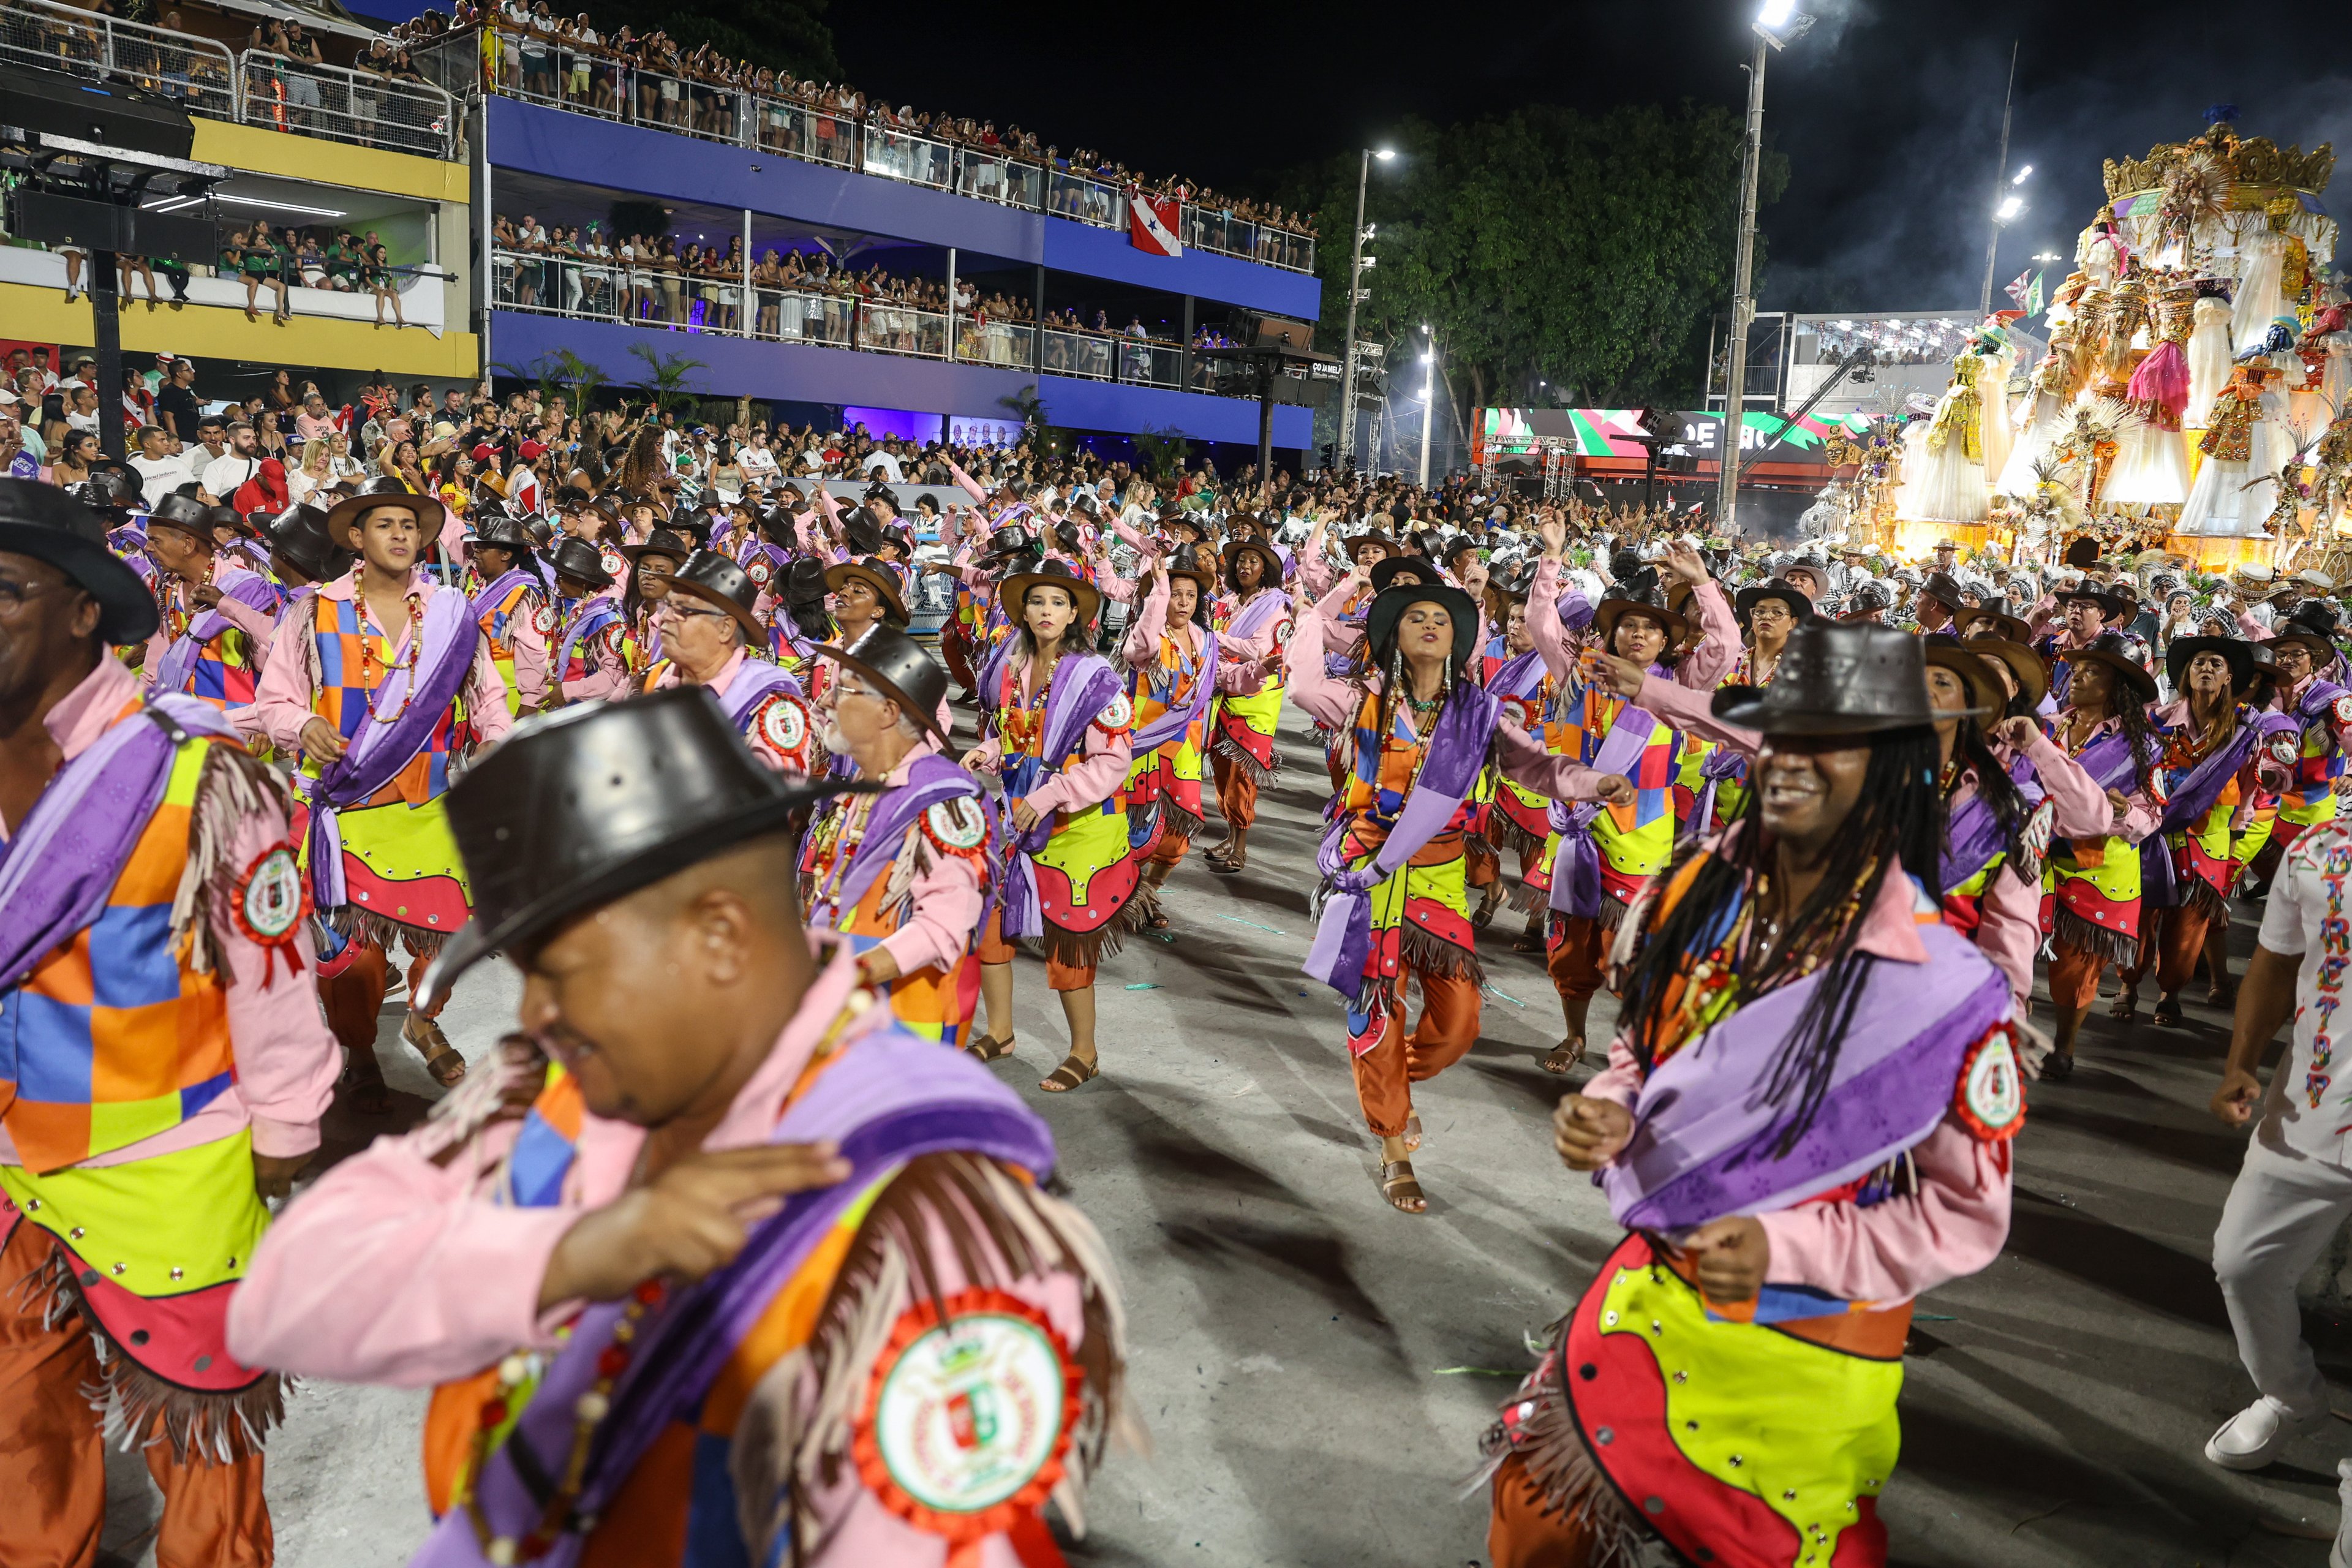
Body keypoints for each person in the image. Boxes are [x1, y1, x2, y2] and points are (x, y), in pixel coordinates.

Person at [225, 690, 1129, 1567]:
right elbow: (282, 1301)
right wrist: (571, 1257)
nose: (533, 1012)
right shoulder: (556, 1082)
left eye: (567, 964)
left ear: (721, 938)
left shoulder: (928, 1187)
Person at [1482, 624, 2025, 1567]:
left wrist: (1787, 1244)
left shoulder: (1947, 989)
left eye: (1834, 747)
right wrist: (1616, 1106)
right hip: (1652, 1298)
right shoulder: (1695, 886)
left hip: (1807, 1341)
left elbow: (1966, 1215)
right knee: (1536, 1516)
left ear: (1897, 771)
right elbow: (1646, 1045)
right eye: (1784, 736)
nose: (1793, 763)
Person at [0, 478, 336, 1568]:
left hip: (174, 1163)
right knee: (20, 1458)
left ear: (82, 609)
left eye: (3, 591)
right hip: (12, 1173)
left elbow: (273, 977)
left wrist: (286, 1132)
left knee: (208, 1473)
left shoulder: (198, 774)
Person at [1291, 573, 1631, 1213]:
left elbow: (1536, 764)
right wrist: (1321, 609)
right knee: (1376, 1014)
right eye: (1415, 616)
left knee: (1458, 1024)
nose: (1428, 625)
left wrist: (1592, 782)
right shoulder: (1362, 701)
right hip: (1371, 877)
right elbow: (1305, 683)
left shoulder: (1477, 714)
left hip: (1442, 879)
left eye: (1441, 620)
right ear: (1393, 633)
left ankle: (1390, 1073)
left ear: (1456, 638)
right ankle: (1393, 1142)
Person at [250, 475, 514, 1107]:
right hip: (347, 807)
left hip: (431, 805)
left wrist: (499, 737)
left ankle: (423, 1021)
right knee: (355, 963)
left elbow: (490, 698)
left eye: (409, 525)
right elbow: (274, 700)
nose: (400, 535)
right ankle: (360, 1047)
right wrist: (304, 723)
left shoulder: (452, 613)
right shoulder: (314, 611)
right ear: (357, 538)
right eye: (385, 524)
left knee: (450, 938)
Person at [963, 558, 1137, 1088]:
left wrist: (1051, 794)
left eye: (1058, 602)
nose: (1046, 610)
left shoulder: (1095, 678)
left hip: (1078, 826)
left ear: (1074, 615)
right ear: (1022, 610)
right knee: (989, 925)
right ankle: (1001, 1032)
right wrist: (991, 752)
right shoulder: (1012, 669)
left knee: (1068, 944)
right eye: (1037, 601)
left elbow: (1112, 762)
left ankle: (1084, 1052)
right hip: (1018, 817)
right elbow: (1023, 737)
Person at [804, 624, 992, 1045]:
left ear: (888, 713)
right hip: (847, 1020)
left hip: (903, 1031)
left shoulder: (942, 801)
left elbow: (943, 927)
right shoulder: (868, 786)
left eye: (846, 690)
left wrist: (852, 974)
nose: (827, 701)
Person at [2116, 637, 2294, 1024]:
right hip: (2154, 835)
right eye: (2199, 663)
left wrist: (2275, 776)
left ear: (2231, 676)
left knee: (2189, 925)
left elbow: (2261, 781)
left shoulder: (2248, 726)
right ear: (2185, 673)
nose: (2207, 669)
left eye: (2216, 664)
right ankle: (2128, 985)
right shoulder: (2158, 721)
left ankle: (2170, 992)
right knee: (2140, 915)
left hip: (2209, 841)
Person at [2042, 635, 2163, 1079]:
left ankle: (2064, 1045)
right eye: (2077, 668)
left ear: (2119, 686)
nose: (2078, 675)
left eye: (2093, 670)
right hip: (2034, 858)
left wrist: (2121, 809)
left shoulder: (2143, 747)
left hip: (2095, 867)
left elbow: (2152, 814)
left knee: (2075, 967)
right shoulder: (2047, 728)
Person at [1119, 545, 1229, 921]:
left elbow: (1225, 679)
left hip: (1188, 749)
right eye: (1174, 594)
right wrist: (1159, 591)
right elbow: (1142, 646)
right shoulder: (1147, 638)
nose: (1182, 602)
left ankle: (1149, 890)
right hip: (1147, 742)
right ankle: (1127, 896)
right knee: (1137, 828)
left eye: (1190, 595)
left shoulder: (1206, 639)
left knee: (1179, 829)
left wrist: (1262, 669)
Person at [638, 548, 816, 774]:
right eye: (667, 606)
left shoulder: (769, 701)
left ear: (725, 629)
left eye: (682, 610)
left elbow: (774, 798)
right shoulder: (653, 678)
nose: (665, 617)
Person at [1202, 532, 1291, 873]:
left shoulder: (1275, 604)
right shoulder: (1228, 601)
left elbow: (1259, 649)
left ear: (1266, 569)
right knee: (1222, 772)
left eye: (1253, 561)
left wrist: (1212, 638)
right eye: (1241, 560)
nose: (1245, 566)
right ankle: (1229, 834)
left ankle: (1241, 844)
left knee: (1243, 775)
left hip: (1255, 699)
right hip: (1222, 692)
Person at [464, 511, 554, 716]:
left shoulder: (524, 595)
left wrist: (529, 704)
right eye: (476, 547)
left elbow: (534, 655)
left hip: (509, 700)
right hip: (477, 695)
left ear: (506, 555)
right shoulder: (479, 587)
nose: (476, 553)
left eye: (484, 548)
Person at [546, 535, 628, 703]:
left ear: (582, 581)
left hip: (585, 708)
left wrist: (569, 691)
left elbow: (614, 678)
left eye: (561, 577)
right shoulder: (587, 606)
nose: (556, 582)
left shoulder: (605, 618)